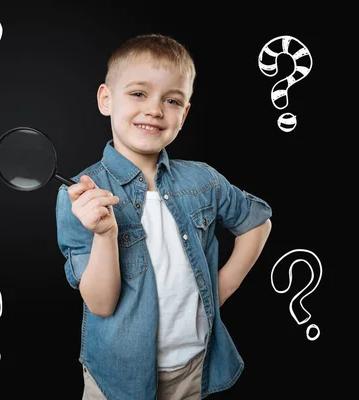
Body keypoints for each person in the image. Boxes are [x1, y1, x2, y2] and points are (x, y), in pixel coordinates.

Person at [55, 33, 272, 400]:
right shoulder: (79, 195)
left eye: (172, 100)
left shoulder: (203, 180)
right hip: (117, 376)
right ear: (106, 99)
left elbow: (258, 221)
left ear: (184, 114)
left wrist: (222, 288)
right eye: (138, 94)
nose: (155, 109)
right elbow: (102, 304)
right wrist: (105, 233)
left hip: (194, 365)